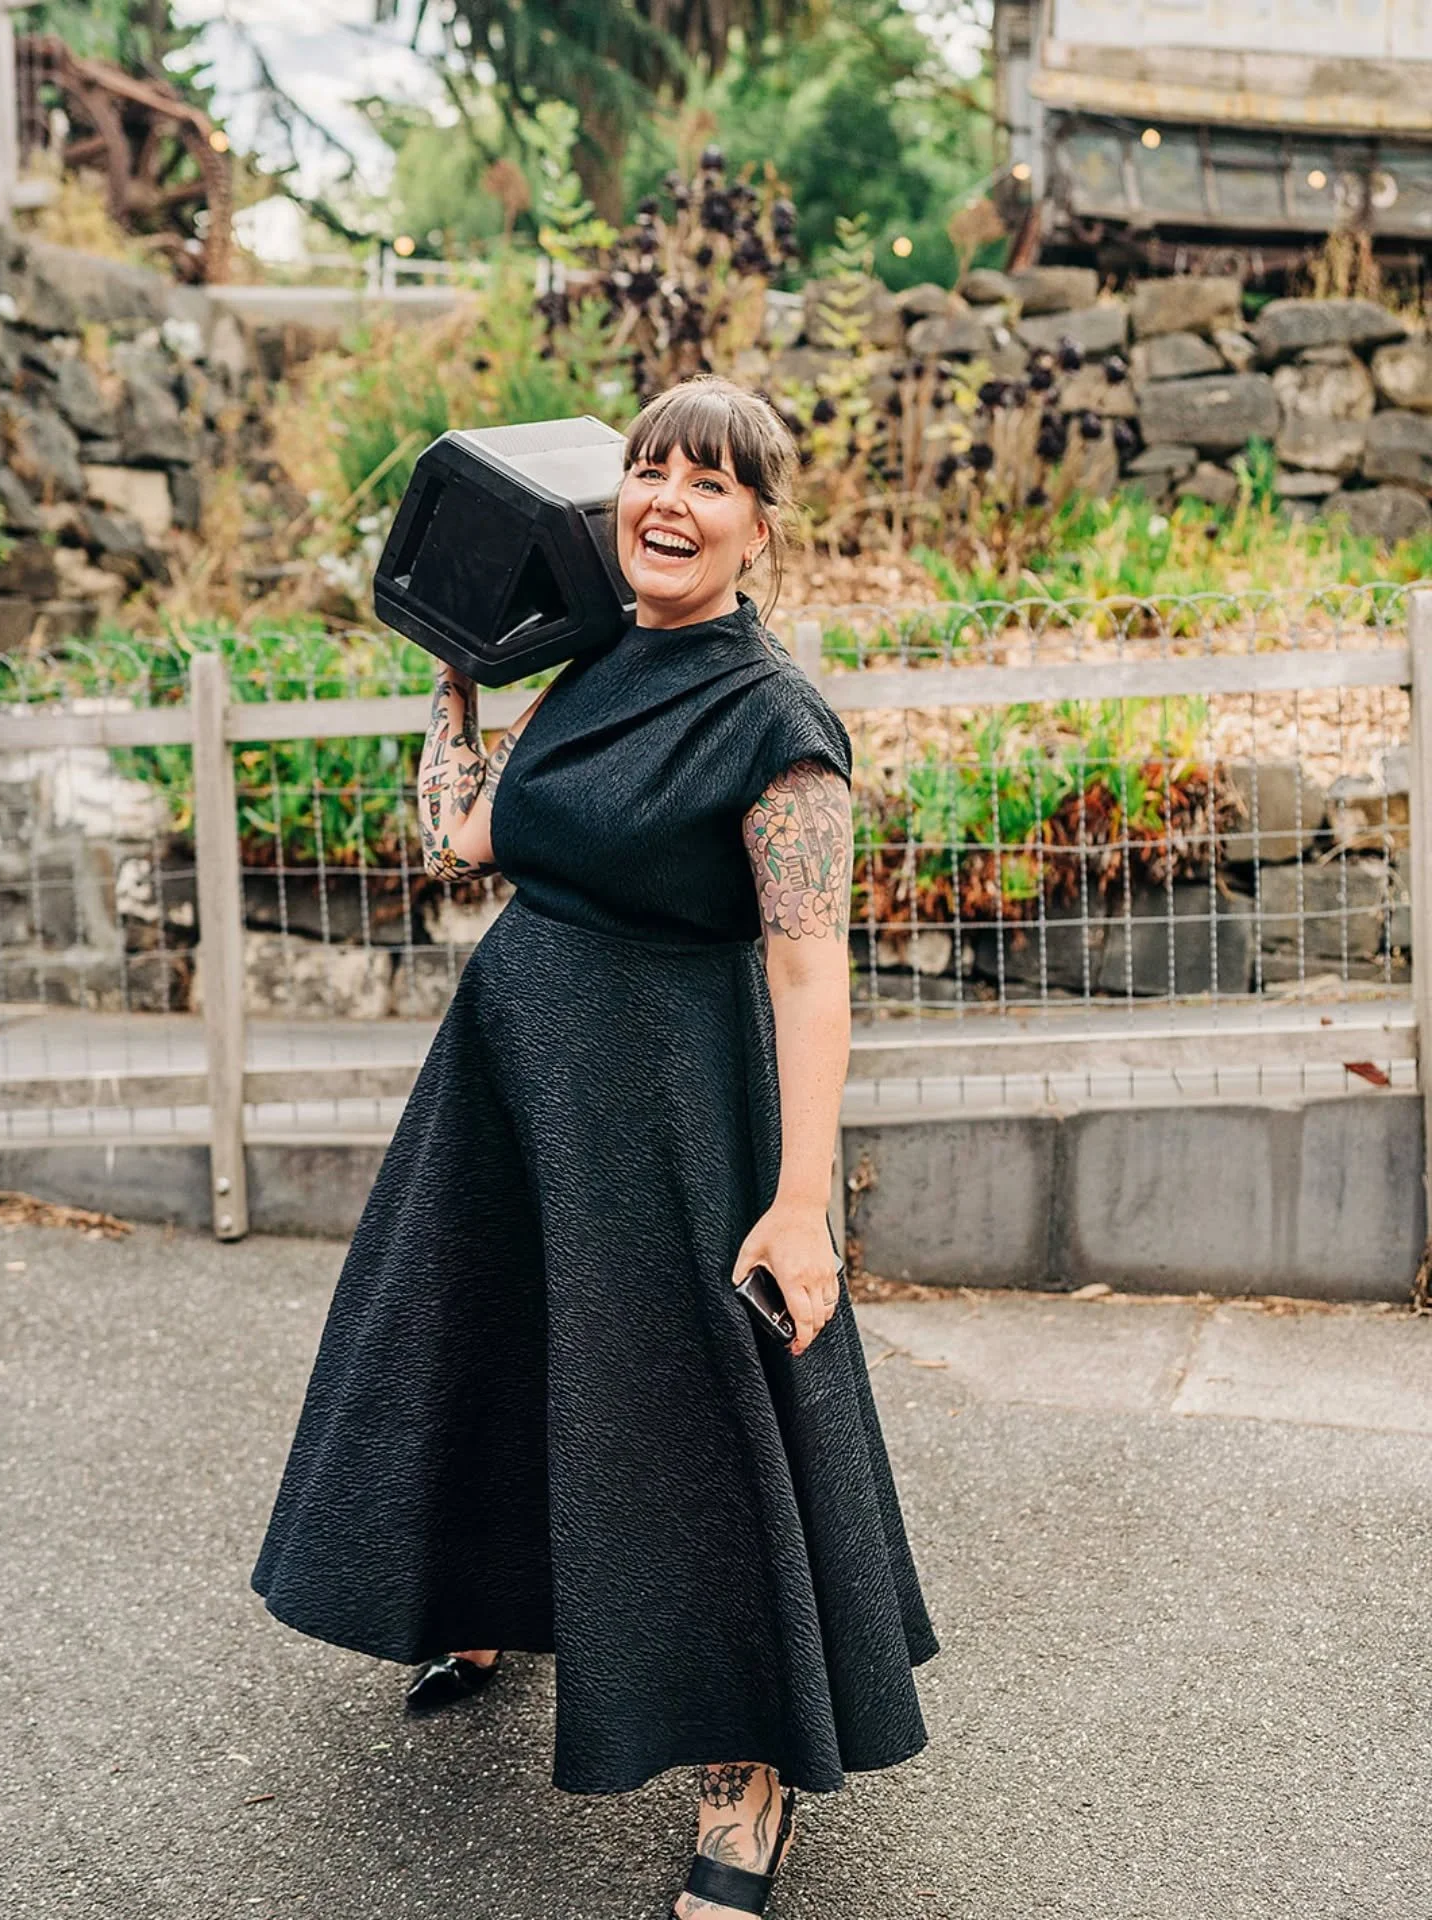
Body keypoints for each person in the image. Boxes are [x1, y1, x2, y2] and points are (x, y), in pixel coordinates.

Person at [251, 372, 939, 1919]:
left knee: (685, 1435)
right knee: (483, 1353)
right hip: (512, 1088)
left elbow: (812, 969)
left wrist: (803, 1204)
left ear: (759, 527)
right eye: (648, 471)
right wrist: (457, 674)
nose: (669, 501)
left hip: (670, 1114)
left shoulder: (778, 723)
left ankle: (748, 1787)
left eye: (710, 482)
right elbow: (474, 836)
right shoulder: (595, 663)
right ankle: (477, 1604)